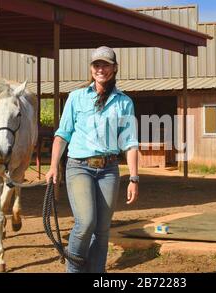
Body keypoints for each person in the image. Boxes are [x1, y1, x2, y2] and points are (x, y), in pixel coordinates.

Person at [45, 46, 139, 273]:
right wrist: (53, 166)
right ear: (91, 68)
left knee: (103, 228)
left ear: (114, 69)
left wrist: (134, 178)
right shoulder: (76, 98)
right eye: (97, 65)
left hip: (109, 170)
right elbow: (62, 134)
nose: (101, 69)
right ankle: (74, 270)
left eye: (106, 65)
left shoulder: (124, 102)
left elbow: (130, 142)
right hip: (79, 167)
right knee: (86, 222)